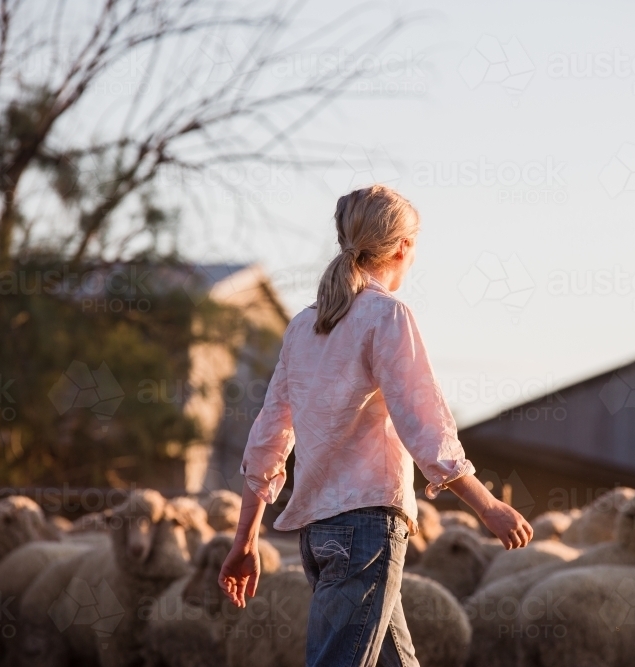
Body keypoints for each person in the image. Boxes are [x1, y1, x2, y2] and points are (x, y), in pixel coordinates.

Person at [217, 185, 533, 667]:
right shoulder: (388, 316)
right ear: (403, 246)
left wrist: (245, 543)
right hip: (366, 529)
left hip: (318, 533)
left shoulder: (305, 326)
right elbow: (424, 426)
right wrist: (487, 505)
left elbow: (268, 439)